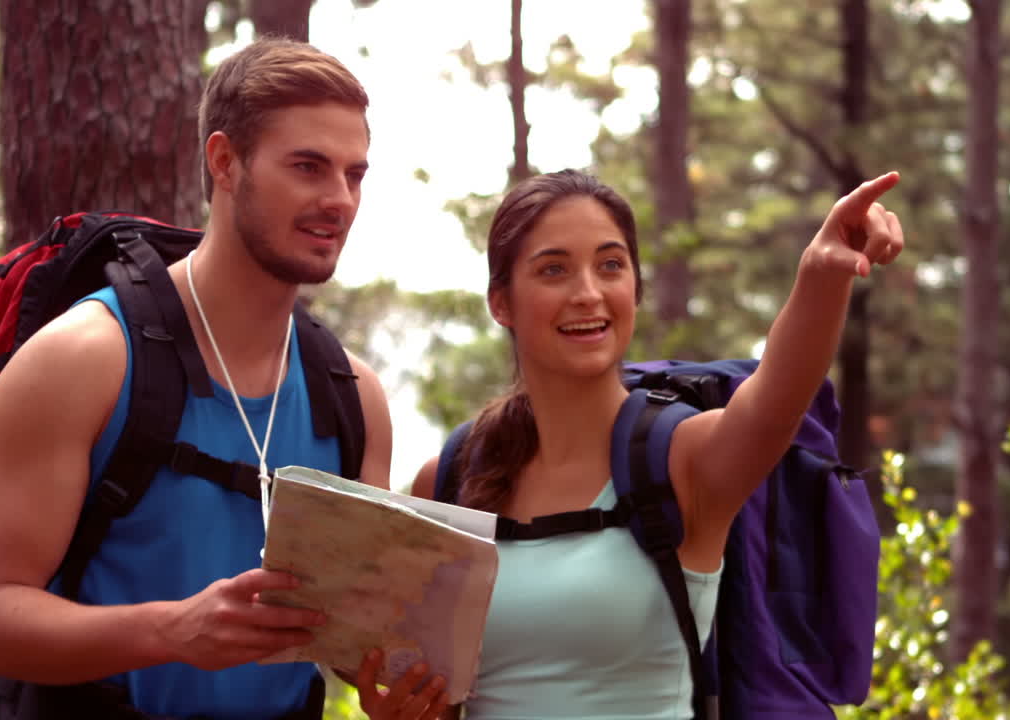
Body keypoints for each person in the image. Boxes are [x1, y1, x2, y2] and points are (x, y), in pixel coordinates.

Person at [0, 38, 445, 720]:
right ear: (224, 162)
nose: (339, 199)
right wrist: (172, 630)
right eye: (308, 166)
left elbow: (345, 638)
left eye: (354, 174)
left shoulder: (353, 397)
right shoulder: (83, 359)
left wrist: (397, 674)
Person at [385, 168, 904, 719]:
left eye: (610, 265)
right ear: (501, 303)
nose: (588, 293)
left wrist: (822, 272)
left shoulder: (683, 460)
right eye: (554, 269)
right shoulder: (449, 478)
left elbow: (778, 394)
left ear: (635, 287)